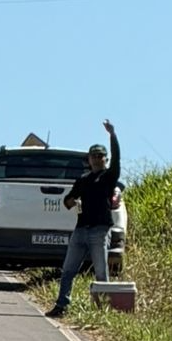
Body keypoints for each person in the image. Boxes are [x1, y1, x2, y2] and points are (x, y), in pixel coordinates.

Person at [46, 119, 120, 318]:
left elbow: (117, 160)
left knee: (101, 272)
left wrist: (112, 136)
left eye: (100, 156)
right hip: (81, 230)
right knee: (68, 270)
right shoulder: (83, 180)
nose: (96, 159)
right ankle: (61, 305)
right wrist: (71, 202)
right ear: (88, 159)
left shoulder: (109, 177)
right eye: (93, 156)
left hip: (100, 230)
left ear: (105, 159)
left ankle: (102, 311)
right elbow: (68, 199)